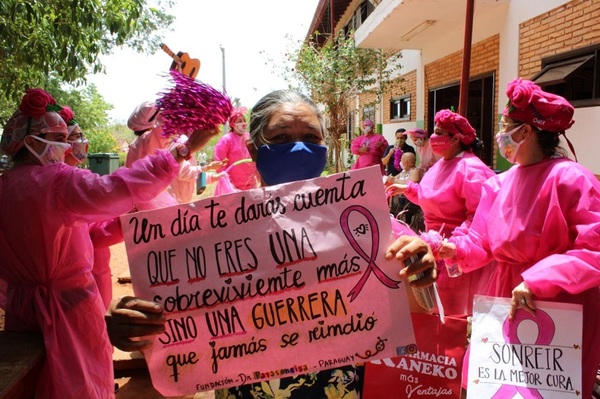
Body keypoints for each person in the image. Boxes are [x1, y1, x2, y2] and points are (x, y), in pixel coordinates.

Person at [210, 89, 437, 398]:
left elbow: (419, 310)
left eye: (311, 137)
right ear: (253, 149)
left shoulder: (367, 221)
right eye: (280, 138)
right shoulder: (218, 233)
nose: (298, 148)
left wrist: (418, 270)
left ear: (324, 147)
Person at [0, 87, 219, 399]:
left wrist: (129, 218)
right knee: (79, 381)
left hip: (23, 309)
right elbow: (114, 188)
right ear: (33, 143)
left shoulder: (5, 187)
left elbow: (89, 232)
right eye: (60, 139)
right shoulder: (57, 181)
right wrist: (181, 151)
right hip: (69, 308)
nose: (67, 147)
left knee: (34, 384)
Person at [439, 78, 600, 399]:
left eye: (504, 126)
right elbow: (481, 243)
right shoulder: (500, 183)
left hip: (560, 305)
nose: (499, 136)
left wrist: (538, 280)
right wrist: (447, 247)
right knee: (493, 388)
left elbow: (593, 248)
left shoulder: (572, 179)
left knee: (546, 392)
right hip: (502, 300)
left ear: (525, 132)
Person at [386, 109, 495, 317]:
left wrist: (451, 246)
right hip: (434, 249)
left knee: (456, 316)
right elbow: (433, 198)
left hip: (460, 254)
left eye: (438, 133)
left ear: (455, 138)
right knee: (436, 310)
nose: (433, 138)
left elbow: (480, 218)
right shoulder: (442, 164)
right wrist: (408, 189)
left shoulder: (472, 170)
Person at [213, 106, 259, 193]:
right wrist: (229, 185)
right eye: (240, 121)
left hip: (250, 185)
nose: (243, 123)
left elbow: (256, 159)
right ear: (233, 124)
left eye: (244, 120)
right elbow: (220, 164)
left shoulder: (250, 138)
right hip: (232, 187)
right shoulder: (226, 140)